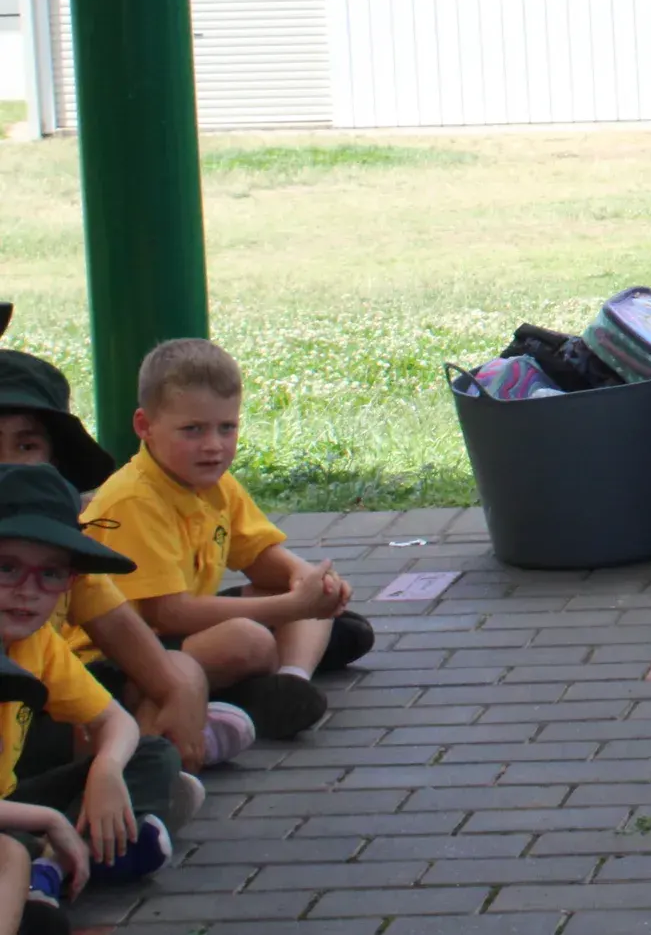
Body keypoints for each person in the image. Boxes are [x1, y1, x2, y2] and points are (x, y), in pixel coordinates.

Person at [77, 341, 373, 743]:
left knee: (319, 609)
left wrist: (309, 580)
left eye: (226, 427)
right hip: (119, 659)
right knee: (249, 638)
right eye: (192, 430)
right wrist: (292, 605)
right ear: (145, 426)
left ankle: (290, 682)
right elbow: (168, 615)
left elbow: (261, 558)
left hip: (178, 637)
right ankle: (236, 692)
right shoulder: (133, 498)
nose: (214, 445)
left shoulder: (216, 483)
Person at [0, 349, 252, 772]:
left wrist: (181, 688)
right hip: (28, 730)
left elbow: (118, 625)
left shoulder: (54, 547)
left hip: (49, 700)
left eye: (26, 446)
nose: (5, 462)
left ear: (53, 460)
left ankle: (142, 774)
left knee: (174, 674)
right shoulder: (135, 497)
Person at [0, 465, 195, 931]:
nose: (28, 591)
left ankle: (50, 870)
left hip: (11, 804)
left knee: (149, 756)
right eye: (6, 567)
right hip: (15, 819)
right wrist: (48, 819)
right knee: (12, 852)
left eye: (51, 573)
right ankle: (65, 856)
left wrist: (106, 772)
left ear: (71, 583)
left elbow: (117, 721)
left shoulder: (37, 644)